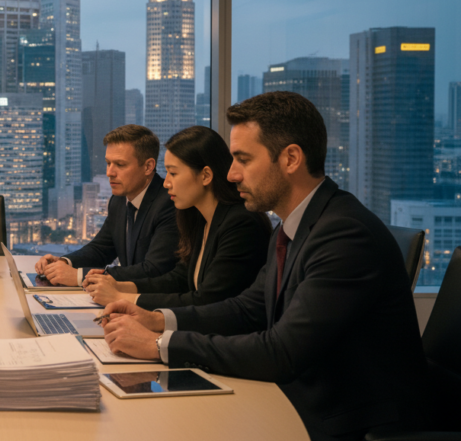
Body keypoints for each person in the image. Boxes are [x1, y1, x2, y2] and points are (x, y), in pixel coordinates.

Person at [99, 92, 428, 441]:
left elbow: (281, 351)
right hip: (300, 402)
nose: (233, 174)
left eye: (242, 159)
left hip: (350, 424)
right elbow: (248, 309)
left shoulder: (345, 235)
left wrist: (159, 345)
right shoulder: (289, 228)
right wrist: (158, 320)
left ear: (290, 159)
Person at [84, 126, 271, 308]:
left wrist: (122, 298)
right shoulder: (200, 218)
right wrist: (119, 286)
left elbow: (207, 300)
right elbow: (178, 279)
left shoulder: (241, 224)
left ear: (206, 175)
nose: (166, 183)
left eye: (173, 173)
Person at [34, 125, 179, 286]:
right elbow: (101, 249)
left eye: (120, 164)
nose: (110, 172)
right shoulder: (118, 200)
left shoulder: (169, 203)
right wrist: (64, 262)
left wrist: (79, 276)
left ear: (148, 166)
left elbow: (153, 269)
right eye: (108, 163)